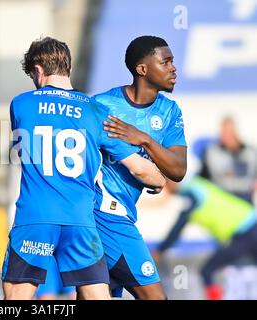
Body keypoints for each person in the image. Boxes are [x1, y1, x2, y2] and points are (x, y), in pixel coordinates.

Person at [2, 37, 166, 300]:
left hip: (36, 217)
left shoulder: (21, 103)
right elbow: (141, 169)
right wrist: (158, 181)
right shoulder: (95, 111)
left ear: (38, 70)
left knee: (16, 301)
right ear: (67, 66)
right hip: (80, 222)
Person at [94, 35, 187, 299]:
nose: (173, 68)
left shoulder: (169, 111)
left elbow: (178, 169)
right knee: (155, 297)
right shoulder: (103, 105)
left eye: (173, 61)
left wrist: (144, 139)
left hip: (122, 213)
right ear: (142, 69)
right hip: (104, 213)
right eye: (165, 61)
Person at [153, 177, 257, 300]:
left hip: (245, 232)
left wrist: (160, 250)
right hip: (249, 226)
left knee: (207, 271)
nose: (165, 188)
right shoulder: (200, 185)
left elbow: (178, 227)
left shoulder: (192, 194)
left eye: (167, 184)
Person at [199, 116, 257, 203]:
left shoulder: (250, 153)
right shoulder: (211, 153)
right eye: (225, 132)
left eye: (230, 132)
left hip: (245, 203)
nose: (228, 136)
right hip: (221, 203)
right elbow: (202, 179)